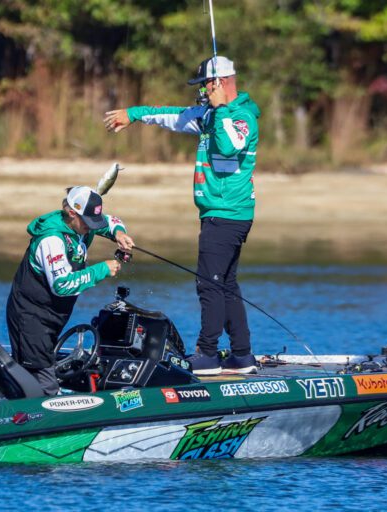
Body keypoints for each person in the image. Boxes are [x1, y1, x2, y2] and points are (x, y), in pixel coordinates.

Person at [103, 56, 260, 375]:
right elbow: (172, 116)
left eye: (205, 85)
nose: (201, 92)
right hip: (216, 214)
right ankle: (242, 355)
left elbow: (229, 146)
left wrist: (221, 109)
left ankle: (207, 355)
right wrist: (134, 114)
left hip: (228, 215)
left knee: (209, 285)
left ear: (220, 83)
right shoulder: (208, 116)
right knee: (225, 284)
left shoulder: (241, 117)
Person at [6, 186, 134, 396]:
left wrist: (119, 234)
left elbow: (111, 222)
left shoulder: (81, 224)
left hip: (53, 316)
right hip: (30, 316)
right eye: (87, 222)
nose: (91, 227)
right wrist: (101, 269)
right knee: (44, 385)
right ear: (72, 213)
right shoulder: (52, 240)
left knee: (42, 370)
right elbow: (62, 285)